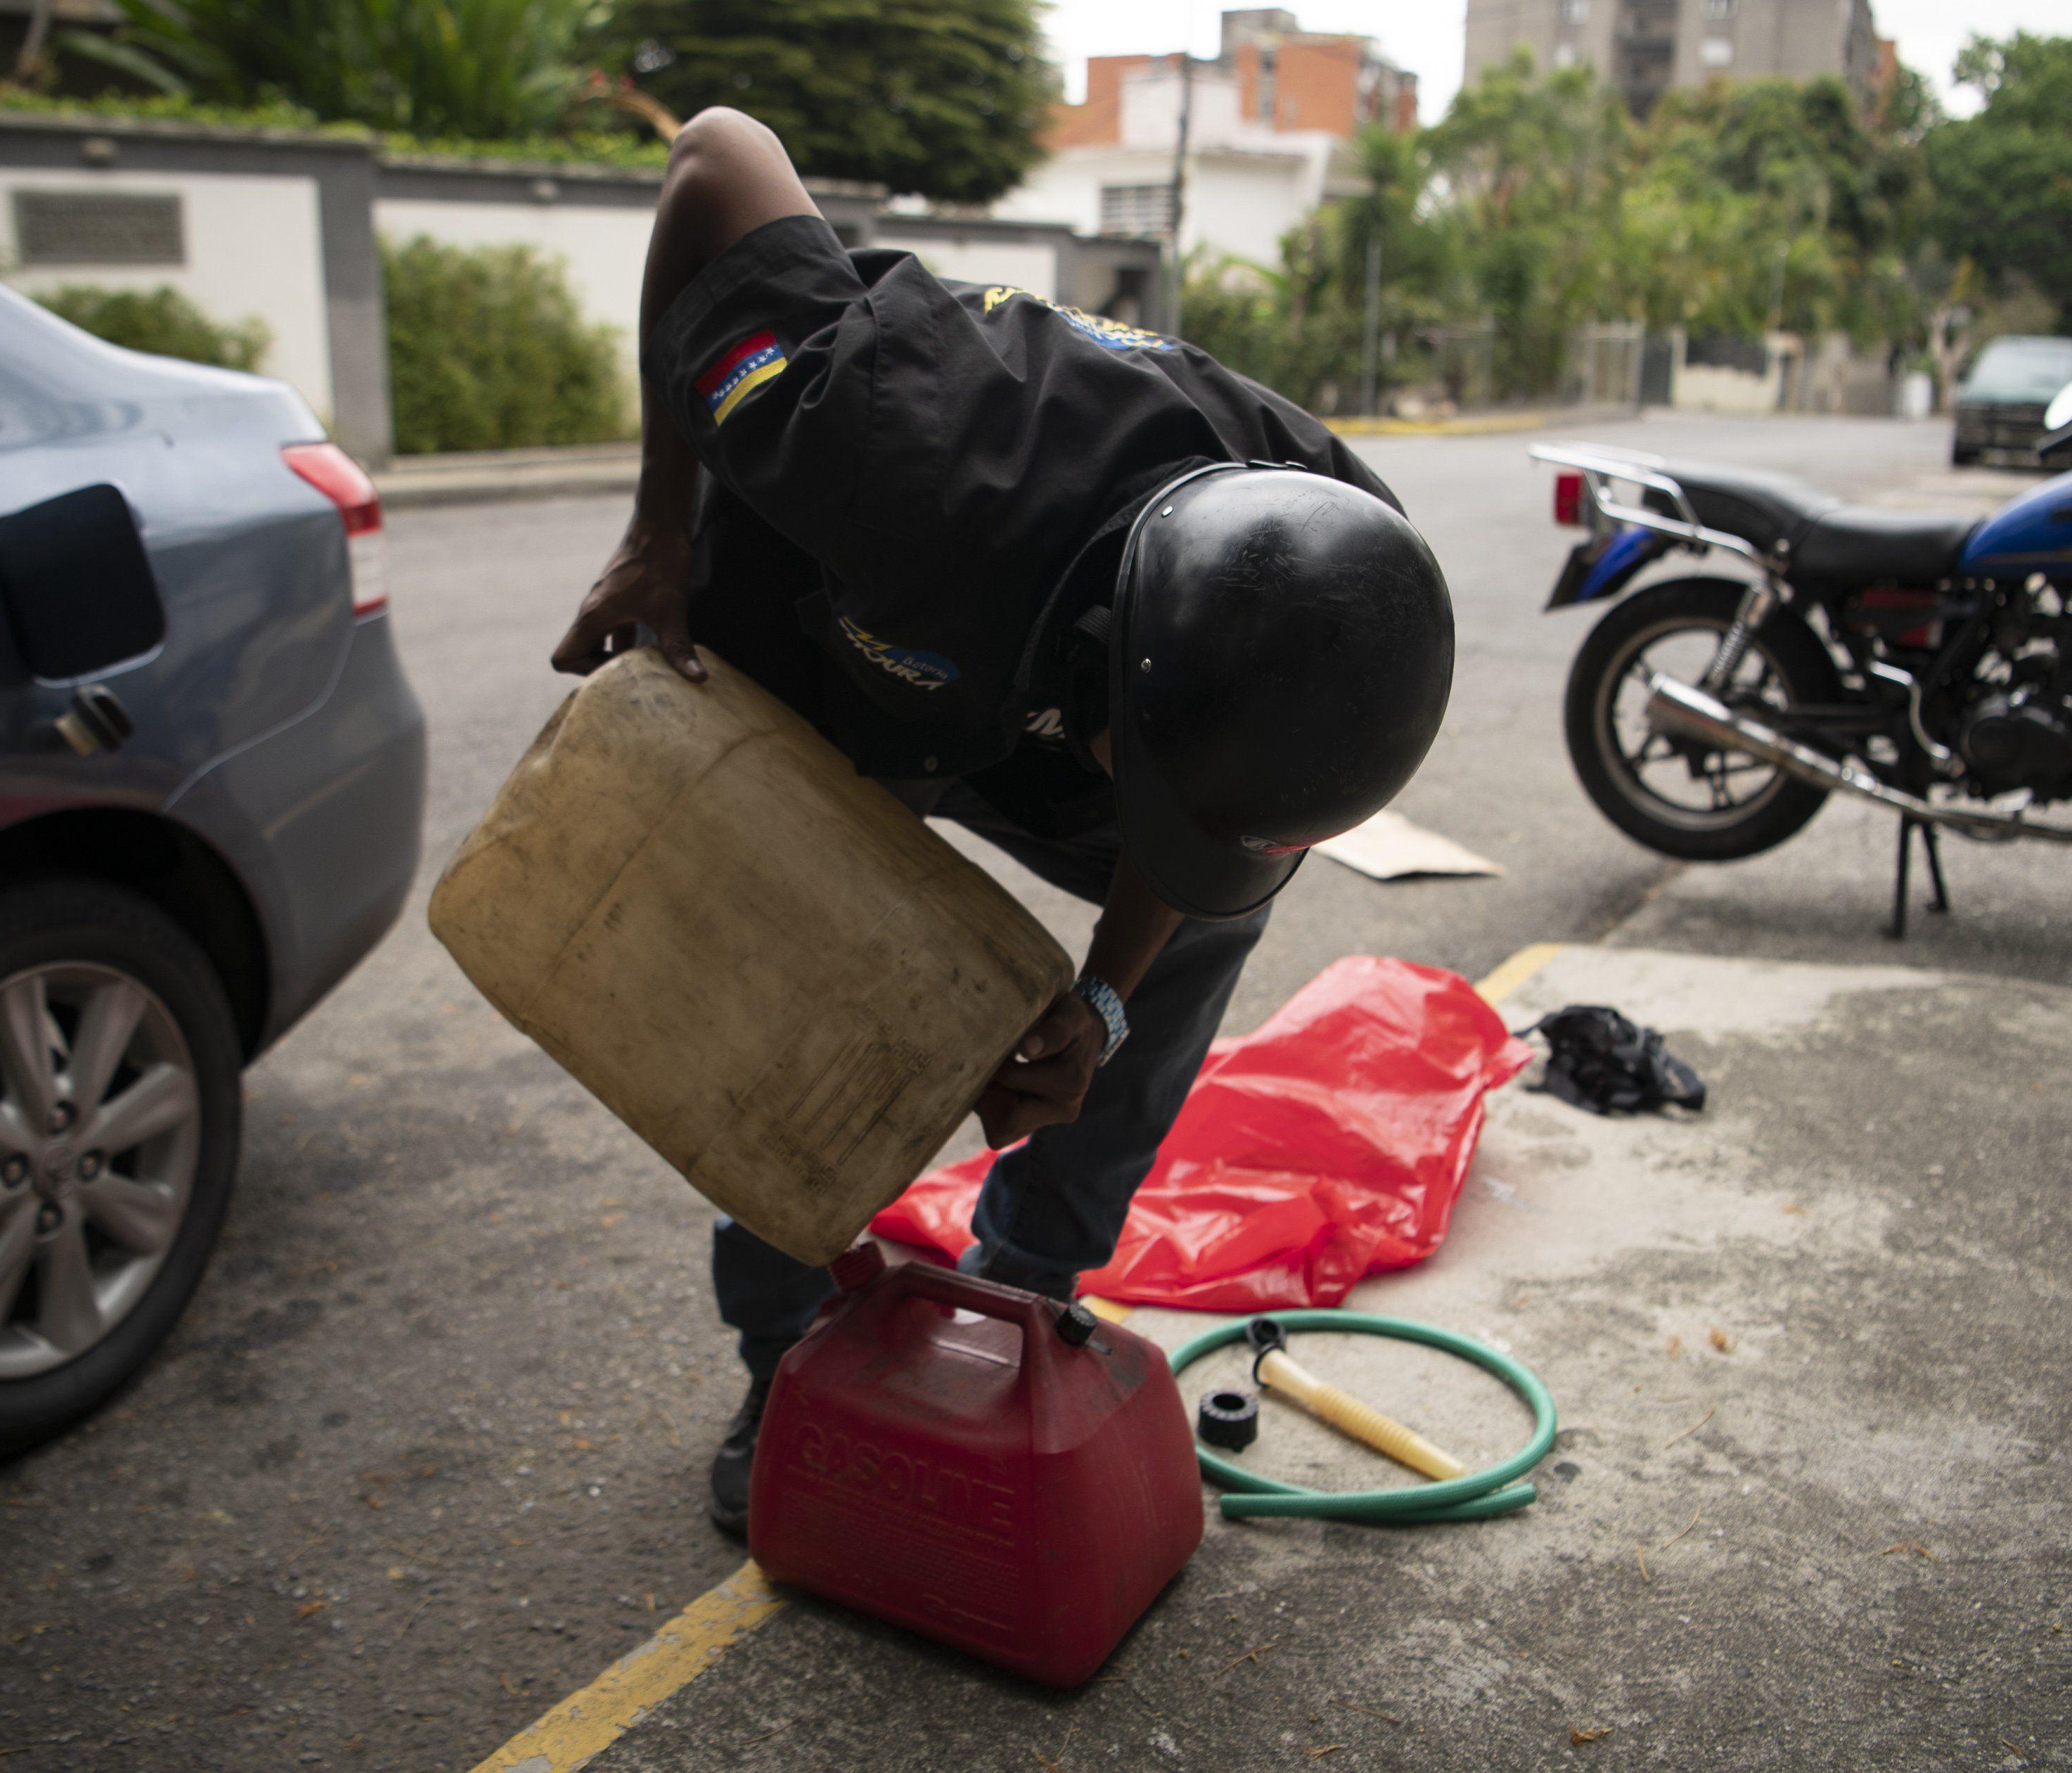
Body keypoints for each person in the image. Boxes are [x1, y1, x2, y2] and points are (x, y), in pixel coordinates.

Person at [551, 108, 1453, 1537]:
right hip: (819, 651)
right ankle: (782, 1345)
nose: (1158, 820)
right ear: (1114, 651)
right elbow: (716, 156)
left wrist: (1100, 994)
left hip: (1023, 697)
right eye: (1149, 777)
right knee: (788, 1013)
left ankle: (1020, 1285)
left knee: (1198, 926)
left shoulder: (1336, 563)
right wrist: (658, 525)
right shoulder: (880, 437)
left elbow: (1201, 817)